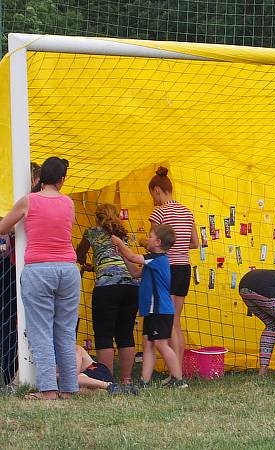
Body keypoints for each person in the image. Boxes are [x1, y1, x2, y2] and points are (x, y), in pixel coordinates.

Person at [0, 157, 80, 400]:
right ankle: (68, 388)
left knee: (41, 332)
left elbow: (3, 227)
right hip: (68, 269)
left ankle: (48, 390)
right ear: (62, 180)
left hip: (39, 270)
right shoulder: (68, 203)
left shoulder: (28, 201)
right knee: (65, 332)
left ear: (40, 177)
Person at [112, 225, 188, 387]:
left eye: (150, 236)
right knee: (148, 343)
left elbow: (133, 256)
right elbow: (135, 272)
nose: (147, 239)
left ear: (158, 242)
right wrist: (123, 256)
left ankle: (178, 378)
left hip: (160, 309)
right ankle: (144, 381)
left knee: (160, 343)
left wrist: (119, 243)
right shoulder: (152, 262)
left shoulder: (157, 259)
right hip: (152, 310)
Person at [75, 204, 139, 384]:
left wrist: (87, 263)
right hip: (131, 286)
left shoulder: (91, 232)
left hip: (106, 287)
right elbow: (117, 259)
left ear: (97, 217)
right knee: (125, 333)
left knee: (104, 334)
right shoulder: (123, 233)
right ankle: (127, 379)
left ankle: (107, 379)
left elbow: (79, 255)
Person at [147, 167, 198, 370]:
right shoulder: (187, 211)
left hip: (166, 269)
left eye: (153, 195)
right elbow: (195, 242)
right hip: (184, 268)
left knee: (167, 322)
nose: (154, 200)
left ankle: (174, 370)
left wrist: (142, 240)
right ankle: (178, 371)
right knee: (176, 321)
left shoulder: (159, 212)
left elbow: (152, 243)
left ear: (157, 190)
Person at [1, 162, 41, 386]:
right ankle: (12, 374)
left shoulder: (34, 202)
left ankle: (26, 372)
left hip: (31, 267)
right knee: (9, 321)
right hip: (13, 268)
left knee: (27, 319)